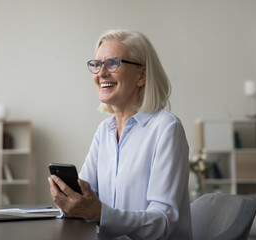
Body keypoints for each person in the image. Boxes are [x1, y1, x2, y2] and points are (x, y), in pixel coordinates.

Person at [48, 30, 192, 240]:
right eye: (97, 64)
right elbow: (85, 199)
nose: (101, 73)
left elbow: (162, 222)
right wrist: (70, 203)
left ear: (141, 76)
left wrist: (98, 213)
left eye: (113, 63)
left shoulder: (167, 129)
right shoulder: (104, 132)